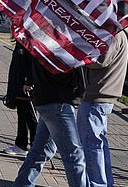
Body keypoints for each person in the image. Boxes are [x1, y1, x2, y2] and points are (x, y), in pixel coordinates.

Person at [12, 55, 87, 187]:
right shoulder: (57, 44)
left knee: (42, 150)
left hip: (48, 99)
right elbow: (61, 73)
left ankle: (22, 184)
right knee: (74, 155)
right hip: (58, 102)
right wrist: (79, 78)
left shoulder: (47, 41)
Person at [77, 30, 128, 187]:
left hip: (99, 93)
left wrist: (80, 56)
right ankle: (103, 182)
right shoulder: (117, 33)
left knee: (92, 143)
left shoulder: (114, 34)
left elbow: (101, 60)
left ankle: (97, 182)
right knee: (97, 142)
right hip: (99, 93)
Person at [3, 42, 37, 157]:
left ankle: (35, 147)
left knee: (31, 117)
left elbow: (35, 63)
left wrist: (29, 81)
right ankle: (21, 145)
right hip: (19, 84)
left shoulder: (31, 40)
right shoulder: (21, 41)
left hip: (27, 87)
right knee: (22, 115)